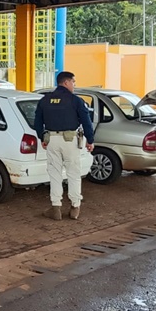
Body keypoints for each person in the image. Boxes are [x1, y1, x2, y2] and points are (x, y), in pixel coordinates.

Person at [34, 71, 95, 221]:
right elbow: (86, 122)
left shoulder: (45, 100)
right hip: (70, 140)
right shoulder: (75, 100)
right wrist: (90, 140)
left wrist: (42, 136)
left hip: (52, 140)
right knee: (73, 173)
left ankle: (56, 208)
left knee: (54, 173)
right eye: (73, 82)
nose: (74, 85)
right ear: (66, 82)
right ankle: (75, 207)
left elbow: (37, 123)